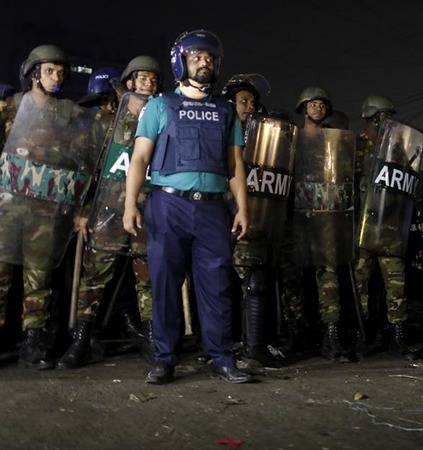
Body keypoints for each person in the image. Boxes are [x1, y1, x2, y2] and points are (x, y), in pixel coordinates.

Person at [122, 29, 253, 384]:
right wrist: (130, 204)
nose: (204, 62)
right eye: (196, 56)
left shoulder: (227, 111)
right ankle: (165, 359)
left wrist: (242, 209)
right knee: (164, 285)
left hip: (213, 209)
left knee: (217, 286)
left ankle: (222, 358)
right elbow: (139, 159)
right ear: (181, 62)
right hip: (167, 205)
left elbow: (236, 165)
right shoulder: (160, 105)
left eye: (209, 57)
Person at [0, 44, 103, 370]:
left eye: (60, 72)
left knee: (39, 279)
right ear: (33, 73)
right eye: (49, 71)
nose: (56, 77)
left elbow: (85, 164)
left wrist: (82, 207)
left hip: (46, 209)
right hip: (7, 205)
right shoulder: (11, 109)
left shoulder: (71, 114)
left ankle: (32, 343)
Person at [56, 57, 162, 370]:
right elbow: (88, 171)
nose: (147, 84)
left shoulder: (160, 126)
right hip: (107, 214)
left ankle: (154, 342)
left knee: (150, 280)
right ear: (128, 84)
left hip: (147, 215)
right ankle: (81, 341)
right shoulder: (107, 125)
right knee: (94, 279)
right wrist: (83, 211)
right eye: (141, 78)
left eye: (153, 80)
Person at [280, 85, 353, 362]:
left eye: (322, 104)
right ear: (303, 108)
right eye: (312, 104)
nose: (318, 108)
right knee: (292, 281)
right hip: (295, 219)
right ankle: (296, 334)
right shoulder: (291, 139)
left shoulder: (333, 141)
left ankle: (331, 337)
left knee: (329, 279)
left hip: (325, 218)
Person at [221, 73, 286, 369]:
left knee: (258, 282)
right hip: (226, 217)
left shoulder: (265, 137)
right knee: (225, 285)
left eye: (252, 101)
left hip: (260, 220)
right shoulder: (222, 131)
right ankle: (229, 344)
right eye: (243, 101)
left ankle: (255, 346)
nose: (249, 106)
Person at [352, 94, 417, 360]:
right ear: (372, 117)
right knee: (360, 286)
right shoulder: (355, 147)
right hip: (362, 229)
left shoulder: (398, 150)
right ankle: (362, 336)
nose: (389, 121)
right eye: (384, 116)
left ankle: (397, 338)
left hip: (389, 228)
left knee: (396, 287)